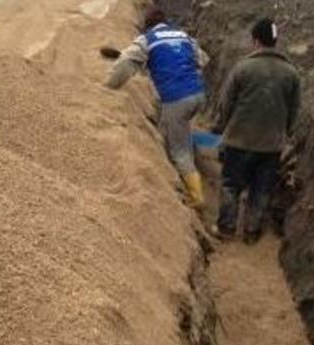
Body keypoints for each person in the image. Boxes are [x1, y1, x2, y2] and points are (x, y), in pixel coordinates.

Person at [105, 7, 210, 208]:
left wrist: (109, 87)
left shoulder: (147, 40)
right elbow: (203, 60)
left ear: (147, 25)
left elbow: (125, 63)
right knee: (173, 125)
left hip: (177, 98)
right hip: (198, 95)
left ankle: (196, 197)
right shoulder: (183, 36)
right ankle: (185, 150)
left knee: (179, 150)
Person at [212, 17, 300, 244]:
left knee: (231, 184)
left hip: (239, 141)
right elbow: (293, 111)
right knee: (260, 190)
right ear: (275, 42)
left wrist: (222, 128)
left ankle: (226, 228)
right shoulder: (291, 73)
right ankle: (252, 231)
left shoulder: (243, 68)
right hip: (271, 146)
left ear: (255, 41)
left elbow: (226, 104)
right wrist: (284, 134)